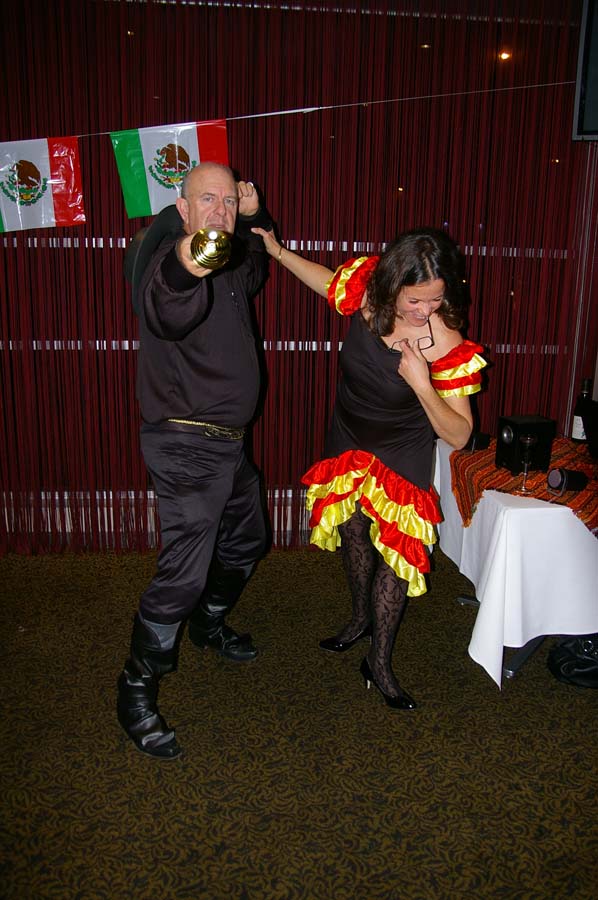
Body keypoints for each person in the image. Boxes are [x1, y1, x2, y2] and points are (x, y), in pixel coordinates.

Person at [252, 225, 487, 709]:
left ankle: (379, 662)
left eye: (436, 299)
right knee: (354, 530)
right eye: (415, 300)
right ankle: (360, 618)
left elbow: (460, 435)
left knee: (396, 557)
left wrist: (422, 384)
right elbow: (324, 281)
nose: (426, 311)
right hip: (350, 433)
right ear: (391, 284)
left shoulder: (444, 340)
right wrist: (277, 252)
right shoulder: (365, 293)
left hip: (402, 449)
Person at [117, 163, 274, 759]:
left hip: (227, 446)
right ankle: (136, 687)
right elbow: (167, 305)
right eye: (208, 200)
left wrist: (258, 218)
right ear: (182, 210)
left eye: (229, 201)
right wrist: (189, 262)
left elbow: (256, 267)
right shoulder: (172, 260)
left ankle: (208, 623)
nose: (220, 212)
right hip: (185, 446)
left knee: (248, 539)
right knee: (182, 574)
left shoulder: (232, 259)